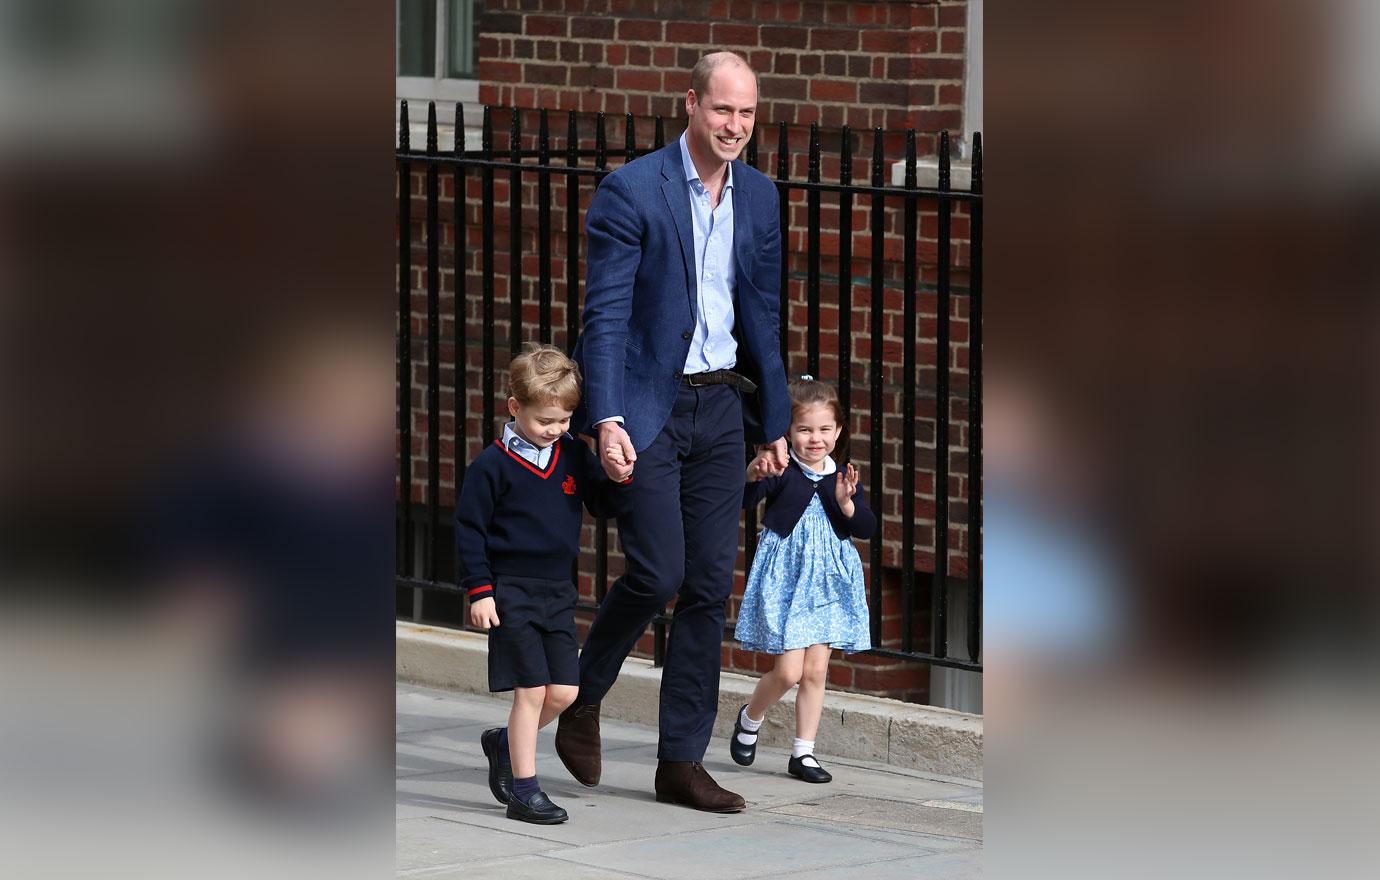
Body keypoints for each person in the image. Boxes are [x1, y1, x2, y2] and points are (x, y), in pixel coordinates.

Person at [559, 51, 790, 813]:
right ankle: (584, 695)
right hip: (651, 407)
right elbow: (607, 316)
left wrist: (776, 421)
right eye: (723, 110)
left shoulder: (760, 196)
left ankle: (680, 764)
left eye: (747, 113)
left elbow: (763, 313)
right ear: (689, 104)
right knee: (657, 572)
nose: (735, 126)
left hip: (723, 409)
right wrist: (607, 419)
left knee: (703, 588)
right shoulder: (633, 191)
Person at [455, 344, 628, 825]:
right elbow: (470, 532)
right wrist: (480, 590)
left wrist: (618, 476)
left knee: (564, 694)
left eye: (563, 420)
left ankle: (504, 744)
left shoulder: (572, 452)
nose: (554, 429)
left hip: (557, 591)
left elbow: (602, 503)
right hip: (510, 590)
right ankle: (524, 792)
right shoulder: (491, 466)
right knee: (531, 692)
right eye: (543, 421)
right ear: (515, 407)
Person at [728, 377, 875, 783]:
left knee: (815, 673)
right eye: (805, 429)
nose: (816, 439)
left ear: (839, 431)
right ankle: (750, 717)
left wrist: (847, 503)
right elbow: (743, 501)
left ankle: (804, 753)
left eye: (825, 429)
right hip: (788, 579)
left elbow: (866, 526)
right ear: (789, 432)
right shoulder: (781, 468)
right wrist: (752, 474)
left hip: (828, 582)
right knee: (788, 672)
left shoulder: (840, 477)